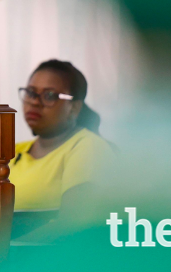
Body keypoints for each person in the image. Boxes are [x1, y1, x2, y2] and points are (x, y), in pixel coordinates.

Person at [9, 60, 109, 216]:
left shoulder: (86, 147)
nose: (35, 102)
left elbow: (72, 222)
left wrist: (5, 242)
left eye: (49, 96)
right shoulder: (10, 152)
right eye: (30, 93)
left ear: (74, 107)